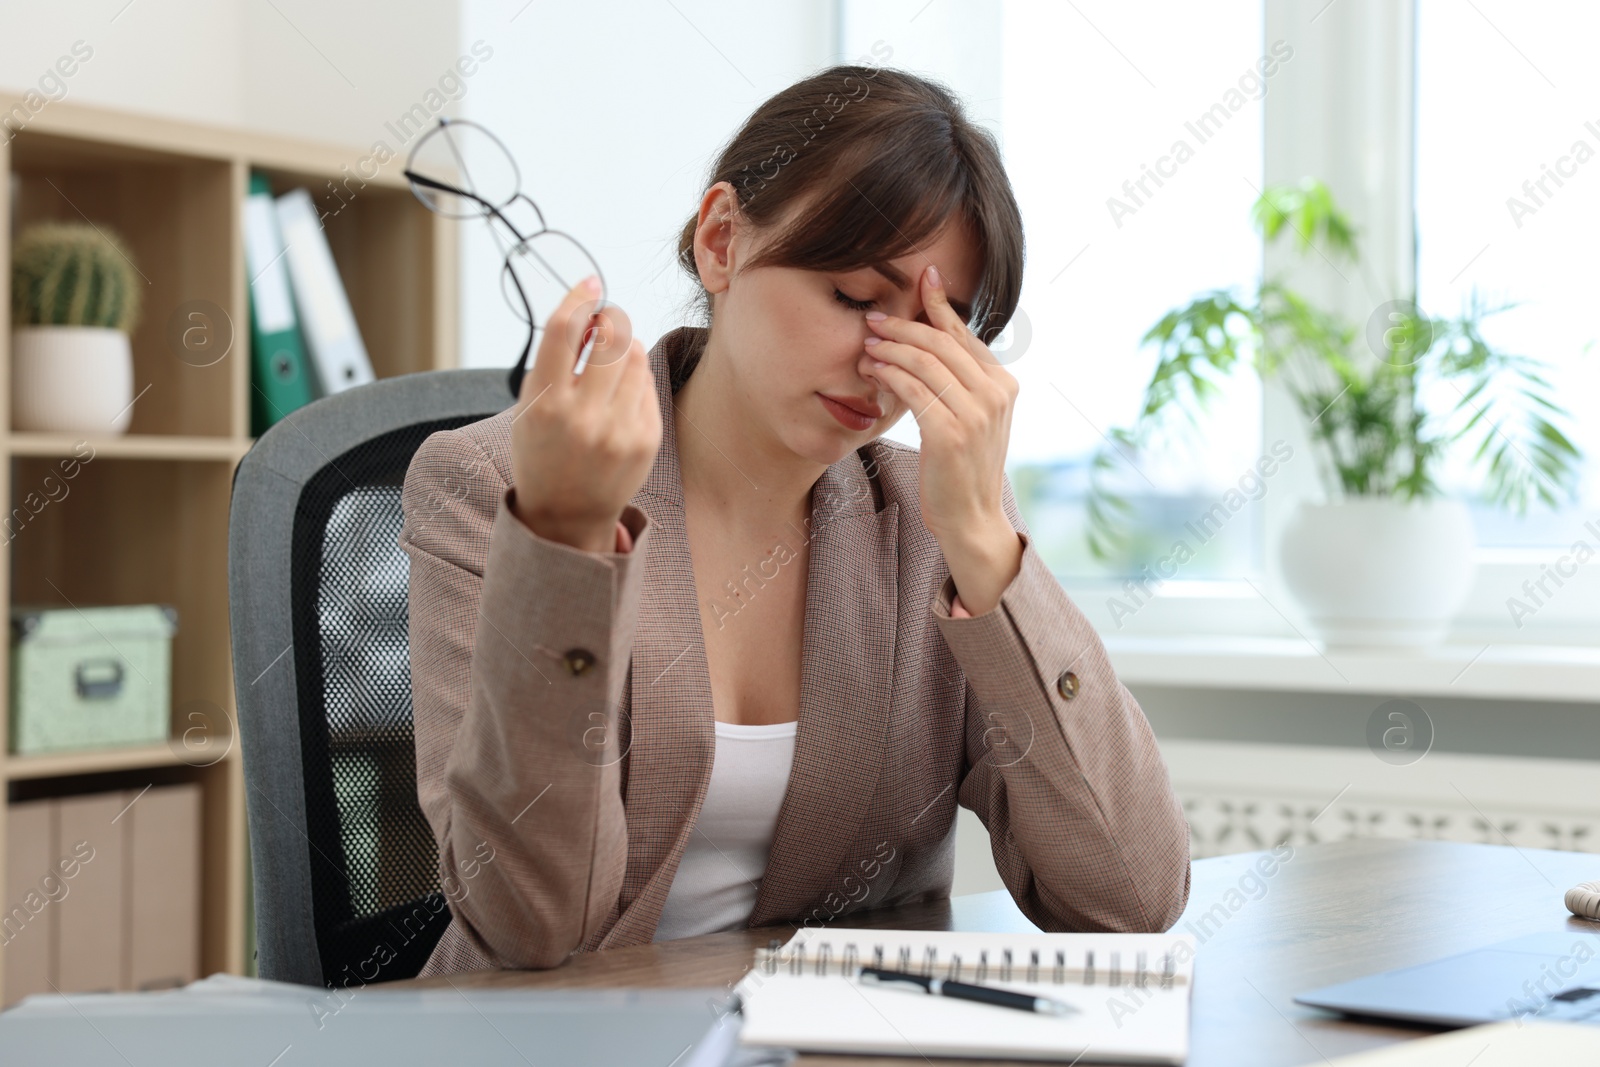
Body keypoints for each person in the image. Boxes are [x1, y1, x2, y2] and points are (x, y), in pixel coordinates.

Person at [399, 63, 1190, 977]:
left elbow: (1131, 900)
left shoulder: (935, 521)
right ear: (722, 241)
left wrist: (987, 543)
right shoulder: (492, 486)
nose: (886, 365)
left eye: (939, 328)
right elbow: (528, 926)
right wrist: (568, 547)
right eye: (855, 298)